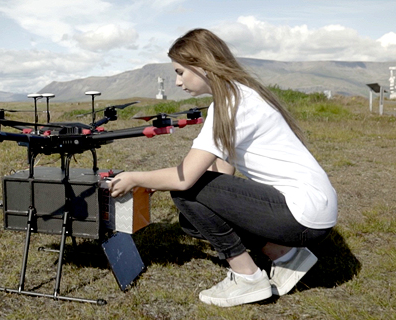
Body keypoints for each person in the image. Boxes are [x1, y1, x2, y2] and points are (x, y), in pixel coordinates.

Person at [107, 28, 337, 307]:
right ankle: (286, 255)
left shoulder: (230, 103)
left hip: (303, 213)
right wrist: (161, 181)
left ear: (203, 66)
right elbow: (222, 175)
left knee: (186, 192)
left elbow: (184, 179)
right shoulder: (239, 96)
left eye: (180, 72)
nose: (178, 82)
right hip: (314, 211)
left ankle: (247, 278)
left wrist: (133, 177)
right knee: (192, 217)